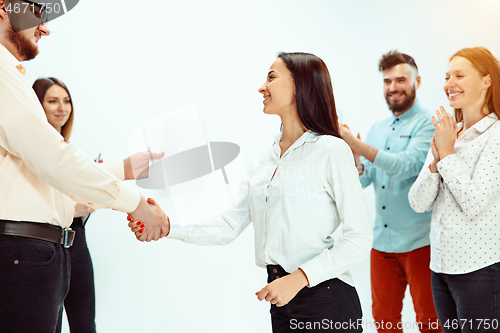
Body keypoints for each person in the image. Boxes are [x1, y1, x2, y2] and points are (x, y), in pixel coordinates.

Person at [129, 52, 373, 333]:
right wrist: (168, 224)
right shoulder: (265, 160)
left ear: (300, 85)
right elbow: (229, 223)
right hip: (281, 300)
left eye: (271, 77)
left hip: (326, 300)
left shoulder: (331, 150)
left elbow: (359, 237)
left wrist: (299, 278)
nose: (262, 87)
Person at [0, 3, 168, 332]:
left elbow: (49, 179)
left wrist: (123, 170)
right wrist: (134, 204)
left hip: (39, 250)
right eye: (37, 11)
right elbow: (54, 161)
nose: (45, 28)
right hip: (23, 251)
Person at [32, 77, 164, 333]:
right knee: (50, 323)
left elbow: (83, 179)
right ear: (38, 105)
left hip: (75, 240)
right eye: (52, 101)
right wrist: (73, 207)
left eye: (67, 101)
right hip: (46, 243)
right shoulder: (31, 149)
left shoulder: (70, 152)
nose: (62, 108)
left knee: (84, 323)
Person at [339, 51, 441, 333]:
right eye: (387, 81)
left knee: (431, 322)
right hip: (382, 245)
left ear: (417, 81)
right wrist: (356, 160)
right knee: (384, 323)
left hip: (421, 244)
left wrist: (360, 147)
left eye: (400, 79)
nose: (393, 87)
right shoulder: (377, 129)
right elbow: (365, 181)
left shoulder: (429, 123)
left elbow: (405, 166)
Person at [409, 46, 500, 333]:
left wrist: (445, 154)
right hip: (441, 268)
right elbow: (418, 202)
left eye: (459, 75)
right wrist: (437, 162)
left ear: (486, 81)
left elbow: (474, 202)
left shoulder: (496, 135)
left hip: (481, 270)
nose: (449, 83)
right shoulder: (449, 132)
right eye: (447, 76)